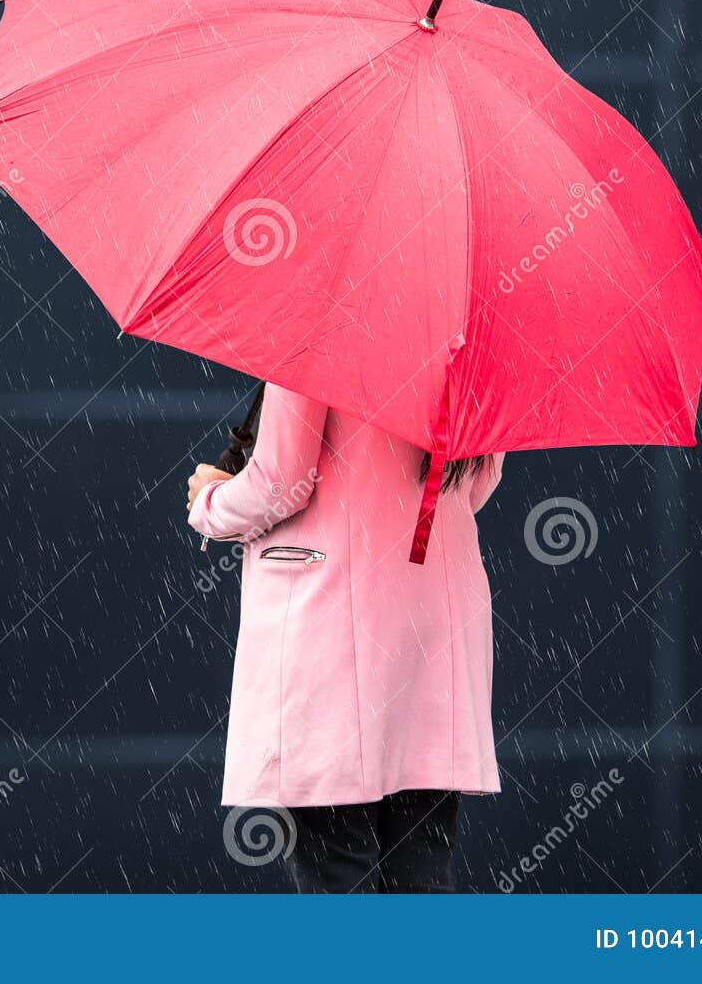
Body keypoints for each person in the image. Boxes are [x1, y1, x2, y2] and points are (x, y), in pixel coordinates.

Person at [186, 382, 504, 893]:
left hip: (332, 625)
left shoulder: (320, 313)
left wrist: (211, 502)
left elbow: (282, 481)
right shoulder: (468, 328)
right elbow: (474, 484)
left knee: (337, 874)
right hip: (434, 629)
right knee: (420, 876)